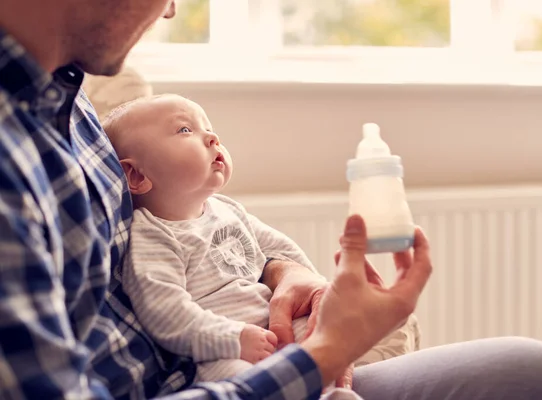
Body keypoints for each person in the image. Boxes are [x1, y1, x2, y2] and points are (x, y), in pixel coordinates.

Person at [0, 0, 542, 399]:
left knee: (537, 371)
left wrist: (288, 274)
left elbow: (245, 239)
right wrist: (323, 355)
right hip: (221, 375)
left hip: (261, 366)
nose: (172, 7)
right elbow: (161, 301)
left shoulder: (68, 101)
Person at [104, 93, 359, 398]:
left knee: (330, 346)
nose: (212, 137)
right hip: (224, 352)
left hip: (275, 326)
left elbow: (284, 252)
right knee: (243, 379)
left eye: (208, 127)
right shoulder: (153, 235)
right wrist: (234, 338)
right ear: (136, 175)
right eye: (185, 130)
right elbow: (166, 313)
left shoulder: (226, 209)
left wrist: (317, 294)